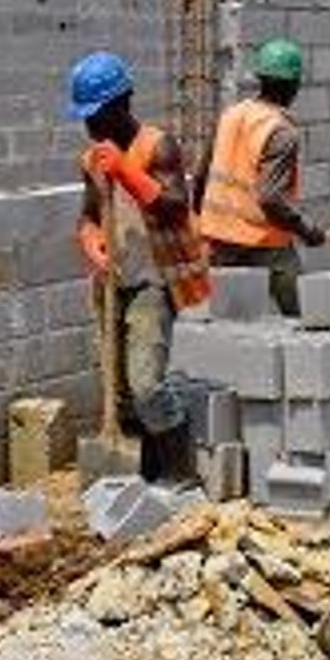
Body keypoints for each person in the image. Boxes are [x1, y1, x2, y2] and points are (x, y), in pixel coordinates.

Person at [68, 51, 212, 484]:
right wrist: (90, 239)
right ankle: (145, 478)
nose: (89, 126)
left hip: (154, 281)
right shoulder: (93, 157)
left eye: (96, 115)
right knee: (123, 392)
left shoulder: (158, 145)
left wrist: (128, 171)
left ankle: (180, 472)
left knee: (148, 385)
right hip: (115, 281)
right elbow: (90, 213)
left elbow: (173, 207)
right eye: (84, 117)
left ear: (121, 105)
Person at [193, 37, 330, 318]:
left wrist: (199, 222)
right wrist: (310, 232)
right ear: (294, 85)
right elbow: (270, 197)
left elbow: (201, 175)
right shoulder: (280, 131)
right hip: (263, 241)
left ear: (261, 79)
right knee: (304, 318)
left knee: (231, 324)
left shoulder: (231, 115)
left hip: (219, 239)